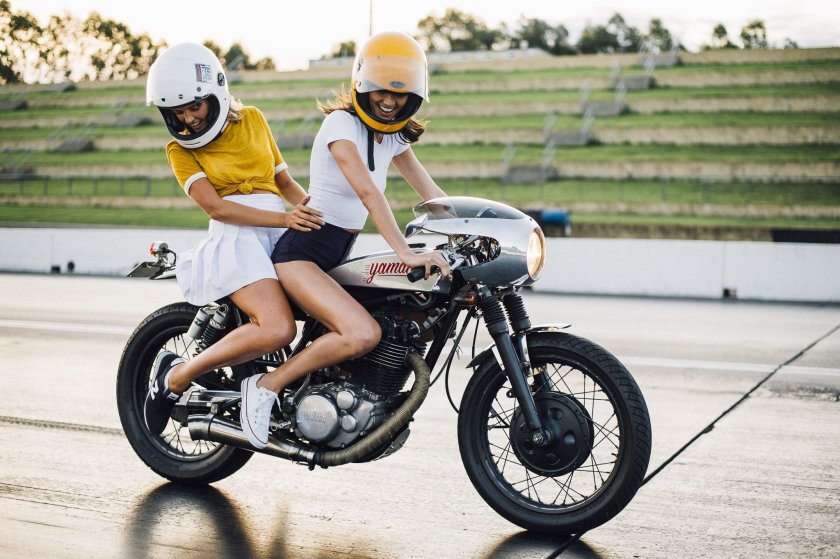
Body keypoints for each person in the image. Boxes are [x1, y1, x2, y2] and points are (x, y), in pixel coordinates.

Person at [238, 31, 451, 449]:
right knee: (361, 334)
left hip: (334, 256)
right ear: (361, 86)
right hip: (301, 254)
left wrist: (479, 223)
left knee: (394, 321)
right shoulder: (340, 124)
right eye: (380, 93)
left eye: (400, 95)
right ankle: (264, 387)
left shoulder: (393, 136)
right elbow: (370, 192)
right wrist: (404, 253)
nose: (388, 102)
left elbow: (432, 194)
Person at [141, 42, 324, 435]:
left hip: (279, 230)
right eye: (178, 112)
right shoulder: (178, 150)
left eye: (194, 107)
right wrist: (285, 218)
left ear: (216, 93)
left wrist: (316, 215)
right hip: (238, 239)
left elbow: (284, 181)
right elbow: (216, 208)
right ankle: (175, 377)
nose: (188, 119)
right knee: (278, 328)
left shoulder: (254, 119)